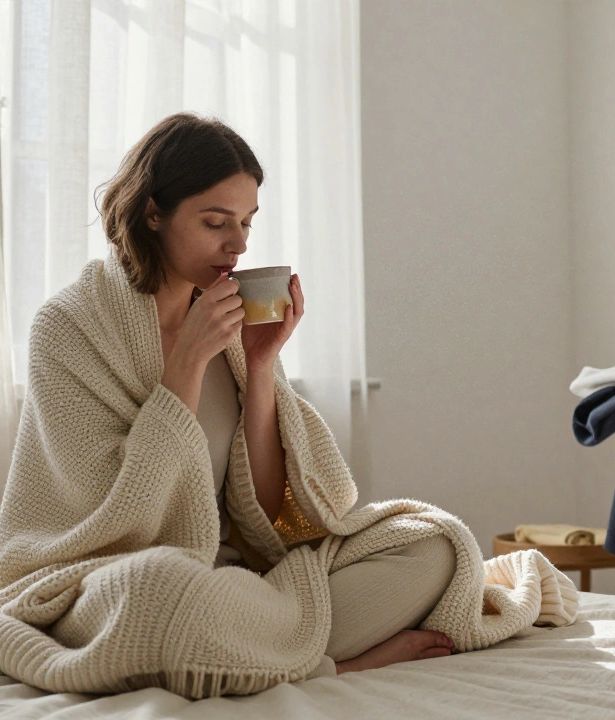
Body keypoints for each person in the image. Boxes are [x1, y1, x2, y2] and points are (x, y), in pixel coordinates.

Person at [38, 113, 456, 674]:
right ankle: (327, 662)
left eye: (247, 223)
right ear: (152, 213)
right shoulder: (69, 327)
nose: (237, 244)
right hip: (111, 580)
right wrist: (187, 359)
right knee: (156, 587)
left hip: (229, 584)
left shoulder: (229, 329)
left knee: (433, 544)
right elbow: (119, 518)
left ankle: (255, 649)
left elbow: (265, 516)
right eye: (216, 222)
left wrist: (261, 366)